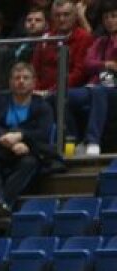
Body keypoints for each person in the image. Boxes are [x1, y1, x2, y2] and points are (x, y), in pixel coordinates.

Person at [0, 62, 56, 217]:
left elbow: (43, 133)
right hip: (1, 147)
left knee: (30, 163)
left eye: (25, 78)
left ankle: (3, 201)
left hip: (28, 150)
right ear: (10, 82)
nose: (21, 81)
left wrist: (22, 137)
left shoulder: (42, 106)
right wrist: (5, 138)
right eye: (17, 78)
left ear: (33, 82)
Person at [33, 0, 105, 156]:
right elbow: (35, 69)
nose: (62, 19)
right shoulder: (46, 38)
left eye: (66, 15)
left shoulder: (84, 38)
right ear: (52, 17)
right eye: (57, 15)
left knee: (58, 98)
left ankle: (73, 142)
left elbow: (79, 72)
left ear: (74, 17)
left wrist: (51, 91)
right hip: (43, 91)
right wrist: (36, 90)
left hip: (71, 89)